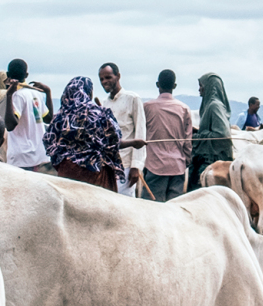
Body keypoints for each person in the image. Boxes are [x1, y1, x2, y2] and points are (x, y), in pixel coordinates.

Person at [46, 76, 123, 188]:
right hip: (95, 173)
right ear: (88, 92)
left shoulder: (59, 117)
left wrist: (62, 161)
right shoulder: (100, 113)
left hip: (67, 172)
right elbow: (114, 141)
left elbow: (49, 142)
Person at [142, 69, 193, 202]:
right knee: (174, 208)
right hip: (177, 167)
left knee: (152, 207)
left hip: (155, 166)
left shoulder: (147, 107)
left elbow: (140, 134)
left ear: (157, 84)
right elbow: (188, 141)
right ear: (174, 86)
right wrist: (186, 161)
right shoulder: (184, 109)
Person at [98, 62, 148, 195]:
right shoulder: (104, 104)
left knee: (125, 203)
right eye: (101, 79)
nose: (104, 82)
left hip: (126, 165)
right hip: (107, 166)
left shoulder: (133, 98)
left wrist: (136, 166)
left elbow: (140, 133)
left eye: (108, 77)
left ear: (118, 76)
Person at [3, 58, 55, 172]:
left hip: (21, 158)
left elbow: (10, 125)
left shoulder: (17, 95)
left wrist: (9, 95)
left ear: (7, 75)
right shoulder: (36, 93)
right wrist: (48, 93)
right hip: (40, 155)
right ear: (26, 75)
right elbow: (49, 119)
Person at [189, 73, 234, 191]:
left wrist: (197, 137)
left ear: (209, 87)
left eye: (201, 85)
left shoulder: (214, 106)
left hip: (211, 162)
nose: (199, 89)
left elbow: (222, 135)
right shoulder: (208, 105)